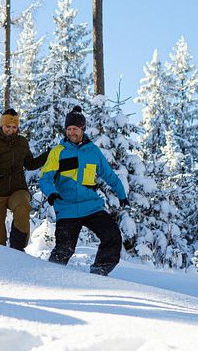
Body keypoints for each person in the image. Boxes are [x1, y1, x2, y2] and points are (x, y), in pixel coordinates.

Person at [39, 105, 130, 276]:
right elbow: (45, 178)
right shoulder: (58, 152)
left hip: (91, 206)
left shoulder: (93, 152)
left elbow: (109, 175)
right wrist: (51, 192)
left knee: (112, 236)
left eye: (75, 129)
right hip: (67, 207)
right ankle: (48, 278)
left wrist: (122, 195)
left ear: (82, 129)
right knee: (64, 250)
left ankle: (98, 273)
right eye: (69, 129)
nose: (72, 132)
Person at [0, 108, 49, 250]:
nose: (11, 130)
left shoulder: (22, 142)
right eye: (8, 127)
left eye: (14, 127)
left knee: (22, 206)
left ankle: (18, 248)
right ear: (1, 125)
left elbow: (30, 164)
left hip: (17, 190)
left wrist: (46, 155)